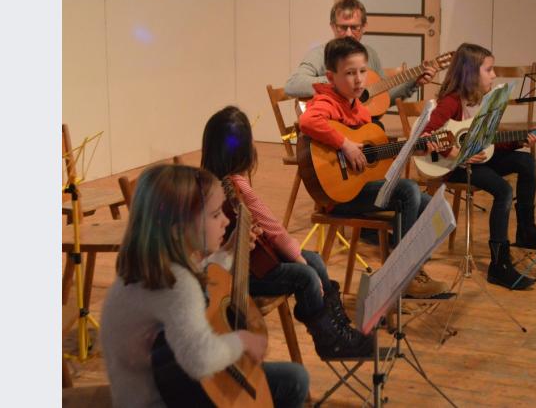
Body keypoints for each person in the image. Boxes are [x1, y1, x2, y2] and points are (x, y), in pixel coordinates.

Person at [101, 164, 308, 408]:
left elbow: (202, 274)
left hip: (157, 388)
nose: (225, 221)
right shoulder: (176, 283)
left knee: (287, 378)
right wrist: (242, 340)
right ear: (178, 230)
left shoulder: (151, 268)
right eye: (215, 214)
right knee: (294, 381)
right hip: (163, 399)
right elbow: (201, 360)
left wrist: (229, 251)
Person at [200, 105, 372, 359]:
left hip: (247, 264)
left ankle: (338, 329)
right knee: (306, 275)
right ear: (245, 150)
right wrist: (299, 259)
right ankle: (331, 340)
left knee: (315, 261)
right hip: (240, 276)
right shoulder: (237, 185)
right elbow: (275, 230)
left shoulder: (210, 182)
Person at [298, 36, 449, 298]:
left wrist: (416, 148)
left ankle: (413, 268)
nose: (359, 80)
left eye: (362, 72)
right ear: (331, 77)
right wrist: (345, 144)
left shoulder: (360, 109)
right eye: (350, 73)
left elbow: (377, 154)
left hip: (360, 189)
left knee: (429, 204)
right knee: (408, 190)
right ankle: (402, 275)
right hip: (340, 197)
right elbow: (307, 121)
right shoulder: (327, 102)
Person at [423, 43, 536, 290]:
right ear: (471, 73)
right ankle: (499, 265)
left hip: (476, 159)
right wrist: (456, 153)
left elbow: (489, 142)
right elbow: (427, 135)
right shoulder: (451, 101)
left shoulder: (482, 101)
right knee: (503, 190)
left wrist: (519, 140)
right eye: (489, 69)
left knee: (525, 160)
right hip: (455, 166)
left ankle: (526, 230)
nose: (494, 75)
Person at [284, 0, 435, 100]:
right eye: (343, 27)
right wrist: (339, 82)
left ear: (364, 27)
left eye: (354, 27)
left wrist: (414, 82)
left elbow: (382, 96)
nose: (349, 34)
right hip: (333, 123)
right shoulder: (320, 54)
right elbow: (292, 85)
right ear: (333, 27)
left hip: (364, 123)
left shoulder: (370, 54)